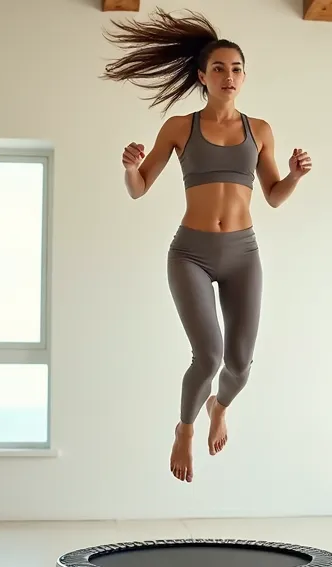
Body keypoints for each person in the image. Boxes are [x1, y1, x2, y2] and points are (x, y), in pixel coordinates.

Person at [102, 9, 313, 483]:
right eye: (218, 68)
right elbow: (139, 189)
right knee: (209, 356)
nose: (229, 76)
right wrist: (130, 167)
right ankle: (185, 427)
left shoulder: (260, 130)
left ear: (244, 76)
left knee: (239, 365)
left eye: (236, 68)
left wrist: (295, 176)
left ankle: (219, 405)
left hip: (243, 255)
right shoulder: (180, 127)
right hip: (191, 254)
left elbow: (275, 196)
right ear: (202, 76)